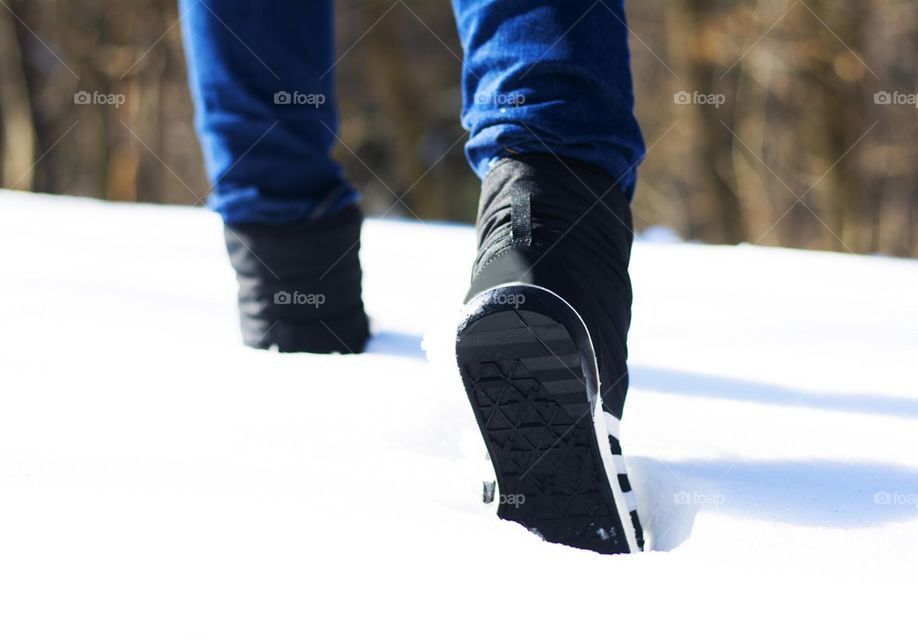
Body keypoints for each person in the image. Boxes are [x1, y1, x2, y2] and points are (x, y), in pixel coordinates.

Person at [180, 0, 646, 554]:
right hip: (559, 218)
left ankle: (292, 303)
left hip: (274, 234)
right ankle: (544, 244)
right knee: (541, 176)